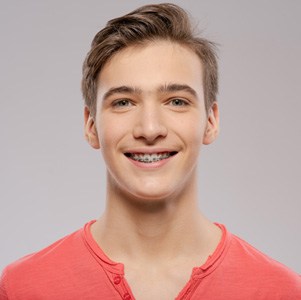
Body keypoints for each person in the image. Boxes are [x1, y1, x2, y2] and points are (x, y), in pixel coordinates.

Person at [0, 3, 300, 300]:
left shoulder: (282, 291)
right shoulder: (21, 288)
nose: (150, 127)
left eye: (177, 101)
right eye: (123, 102)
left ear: (211, 121)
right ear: (91, 125)